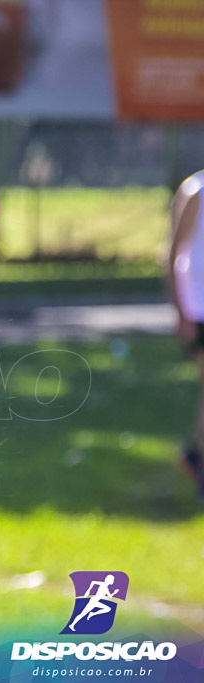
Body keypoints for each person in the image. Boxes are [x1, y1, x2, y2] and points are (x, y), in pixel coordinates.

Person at [166, 169, 204, 499]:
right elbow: (175, 251)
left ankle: (194, 453)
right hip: (200, 307)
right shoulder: (196, 191)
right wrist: (181, 311)